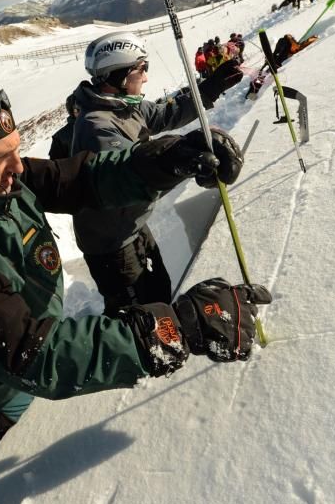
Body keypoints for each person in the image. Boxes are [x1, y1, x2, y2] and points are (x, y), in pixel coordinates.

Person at [0, 86, 269, 440]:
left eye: (17, 150)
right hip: (4, 384)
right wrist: (171, 329)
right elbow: (30, 353)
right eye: (2, 158)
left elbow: (79, 178)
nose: (18, 168)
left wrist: (167, 159)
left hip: (40, 336)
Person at [69, 31, 244, 317]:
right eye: (141, 69)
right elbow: (130, 180)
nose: (147, 77)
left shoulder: (124, 106)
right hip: (111, 242)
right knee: (139, 315)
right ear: (120, 74)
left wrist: (210, 88)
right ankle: (132, 357)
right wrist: (184, 161)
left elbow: (165, 114)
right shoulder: (97, 127)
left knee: (158, 290)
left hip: (132, 226)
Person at [47, 94, 78, 160]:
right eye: (77, 110)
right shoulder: (61, 137)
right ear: (72, 112)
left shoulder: (101, 124)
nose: (83, 112)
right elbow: (56, 166)